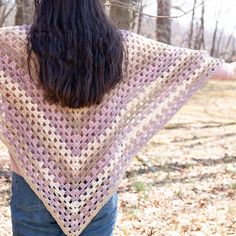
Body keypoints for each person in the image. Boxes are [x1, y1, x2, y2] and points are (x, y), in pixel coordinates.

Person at [0, 1, 235, 236]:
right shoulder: (125, 47)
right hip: (97, 192)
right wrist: (230, 71)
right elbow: (195, 65)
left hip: (33, 189)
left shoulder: (14, 45)